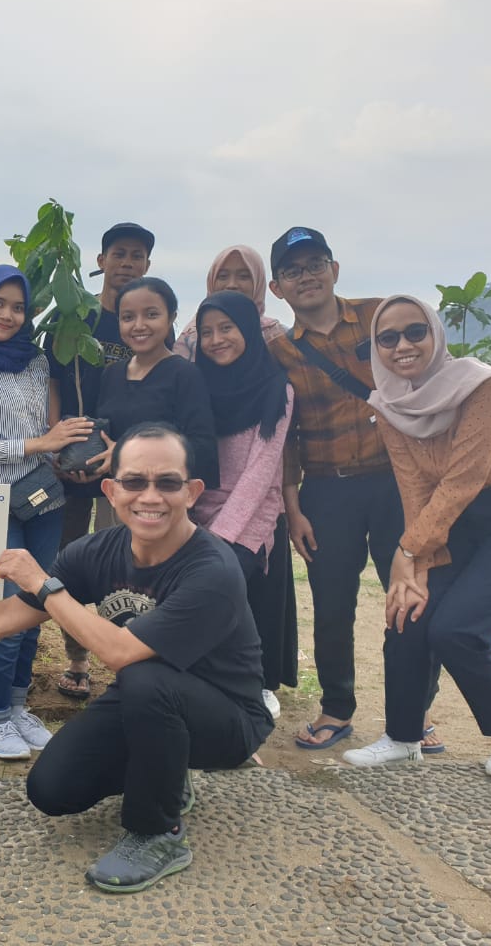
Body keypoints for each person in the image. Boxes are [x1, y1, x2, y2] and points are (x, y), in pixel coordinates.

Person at [0, 424, 271, 892]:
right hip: (151, 709)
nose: (151, 496)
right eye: (136, 482)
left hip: (228, 721)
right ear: (111, 490)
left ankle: (158, 832)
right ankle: (168, 777)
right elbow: (9, 616)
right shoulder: (98, 551)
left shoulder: (213, 569)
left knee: (142, 677)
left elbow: (118, 651)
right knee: (52, 790)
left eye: (168, 483)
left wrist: (44, 585)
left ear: (192, 492)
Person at [342, 296, 491, 779]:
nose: (402, 345)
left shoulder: (483, 387)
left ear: (436, 334)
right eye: (386, 338)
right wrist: (412, 568)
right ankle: (403, 736)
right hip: (457, 519)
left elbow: (462, 478)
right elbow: (416, 486)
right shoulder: (390, 405)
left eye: (415, 331)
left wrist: (408, 550)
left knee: (459, 629)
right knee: (407, 615)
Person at [263, 227, 436, 750]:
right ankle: (337, 708)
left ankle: (412, 714)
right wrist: (293, 508)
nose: (307, 276)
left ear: (335, 269)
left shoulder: (382, 317)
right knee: (332, 605)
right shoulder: (279, 352)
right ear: (277, 288)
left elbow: (430, 377)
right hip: (326, 491)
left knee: (410, 598)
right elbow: (284, 437)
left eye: (315, 263)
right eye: (293, 270)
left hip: (398, 484)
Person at [0, 264, 94, 760]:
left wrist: (66, 444)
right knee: (8, 610)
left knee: (37, 606)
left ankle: (18, 704)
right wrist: (39, 441)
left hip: (44, 497)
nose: (7, 315)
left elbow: (47, 431)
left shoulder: (33, 361)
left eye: (18, 306)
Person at [52, 221, 153, 699]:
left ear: (147, 265)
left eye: (137, 256)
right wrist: (54, 442)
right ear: (101, 262)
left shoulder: (147, 322)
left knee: (123, 565)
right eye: (119, 254)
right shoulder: (76, 318)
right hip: (72, 462)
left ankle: (127, 657)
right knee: (71, 562)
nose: (127, 263)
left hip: (123, 468)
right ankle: (76, 660)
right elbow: (54, 377)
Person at [192, 291, 297, 720]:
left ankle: (254, 682)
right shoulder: (195, 383)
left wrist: (219, 537)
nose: (217, 339)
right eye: (207, 332)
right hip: (198, 507)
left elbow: (261, 473)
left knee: (233, 582)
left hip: (253, 514)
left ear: (249, 331)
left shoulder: (276, 389)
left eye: (227, 328)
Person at [91, 278, 219, 489]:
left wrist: (127, 452)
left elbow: (202, 447)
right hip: (116, 495)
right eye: (128, 317)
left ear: (171, 318)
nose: (139, 325)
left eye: (151, 315)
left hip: (165, 495)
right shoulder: (111, 374)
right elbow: (106, 437)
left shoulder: (186, 375)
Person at [172, 245, 286, 359]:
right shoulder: (191, 339)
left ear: (258, 283)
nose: (232, 285)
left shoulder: (277, 336)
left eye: (243, 276)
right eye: (223, 276)